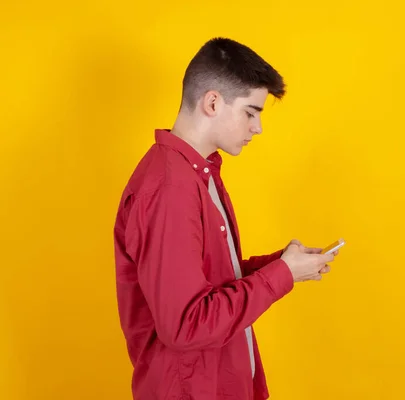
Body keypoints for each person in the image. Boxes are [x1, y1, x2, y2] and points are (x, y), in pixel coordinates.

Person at [113, 37, 338, 400]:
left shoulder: (200, 175)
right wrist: (281, 275)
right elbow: (187, 325)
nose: (258, 127)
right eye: (251, 111)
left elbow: (209, 284)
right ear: (213, 102)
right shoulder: (170, 188)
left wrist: (282, 265)